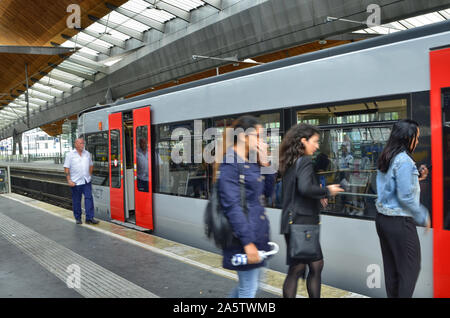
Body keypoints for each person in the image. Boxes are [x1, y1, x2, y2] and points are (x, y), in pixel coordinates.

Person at [279, 124, 343, 298]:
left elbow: (299, 189)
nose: (316, 146)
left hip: (294, 221)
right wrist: (327, 190)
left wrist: (317, 194)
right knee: (301, 268)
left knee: (311, 266)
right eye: (314, 142)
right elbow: (305, 188)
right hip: (302, 223)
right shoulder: (305, 160)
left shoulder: (292, 160)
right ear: (303, 141)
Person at [216, 115, 271, 298]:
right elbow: (232, 206)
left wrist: (266, 163)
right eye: (258, 136)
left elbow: (268, 193)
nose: (262, 141)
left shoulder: (250, 161)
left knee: (248, 286)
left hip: (256, 234)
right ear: (243, 137)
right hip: (243, 237)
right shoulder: (230, 164)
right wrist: (248, 243)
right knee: (249, 289)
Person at [375, 119, 430, 298]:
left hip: (383, 220)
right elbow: (405, 196)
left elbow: (389, 188)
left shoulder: (387, 156)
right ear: (408, 138)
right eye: (417, 137)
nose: (418, 141)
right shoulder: (404, 161)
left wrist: (416, 178)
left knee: (392, 270)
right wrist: (423, 215)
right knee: (409, 269)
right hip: (400, 223)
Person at [64, 138, 99, 225]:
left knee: (89, 199)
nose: (82, 145)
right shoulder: (70, 155)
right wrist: (69, 180)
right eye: (80, 143)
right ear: (75, 144)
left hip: (86, 181)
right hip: (75, 182)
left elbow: (91, 165)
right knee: (77, 200)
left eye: (83, 143)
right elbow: (66, 168)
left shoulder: (87, 154)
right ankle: (78, 218)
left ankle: (89, 218)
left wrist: (89, 176)